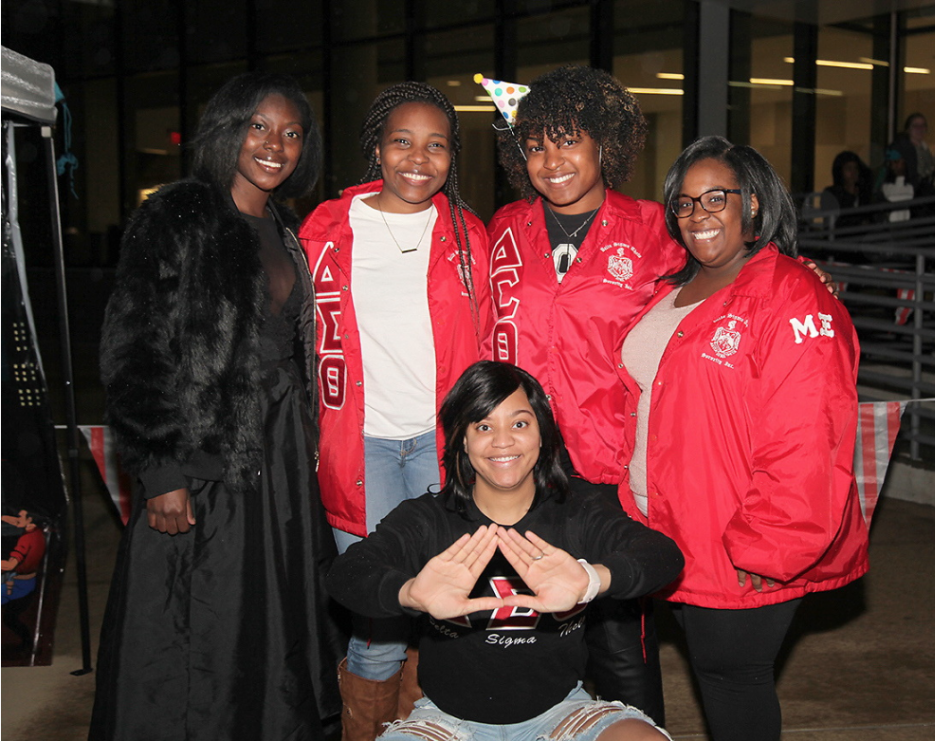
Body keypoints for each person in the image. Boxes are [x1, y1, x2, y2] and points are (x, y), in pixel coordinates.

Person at [91, 73, 343, 741]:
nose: (275, 145)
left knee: (268, 617)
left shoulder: (284, 225)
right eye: (259, 126)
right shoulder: (178, 214)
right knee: (195, 623)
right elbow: (133, 350)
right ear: (227, 127)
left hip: (280, 456)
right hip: (203, 459)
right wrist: (161, 472)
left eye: (292, 133)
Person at [615, 136, 868, 741]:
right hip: (666, 530)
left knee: (732, 682)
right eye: (684, 202)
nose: (699, 214)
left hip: (740, 541)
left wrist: (769, 542)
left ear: (752, 204)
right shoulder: (668, 292)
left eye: (716, 198)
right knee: (712, 676)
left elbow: (811, 432)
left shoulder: (792, 294)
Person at [327, 360, 684, 741]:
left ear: (542, 433)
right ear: (462, 439)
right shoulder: (427, 519)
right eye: (483, 426)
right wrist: (408, 592)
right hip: (447, 722)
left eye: (519, 423)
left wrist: (592, 579)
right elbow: (346, 573)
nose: (502, 441)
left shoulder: (578, 511)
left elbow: (663, 555)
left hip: (561, 713)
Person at [486, 64, 681, 722]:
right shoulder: (504, 228)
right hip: (516, 467)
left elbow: (726, 285)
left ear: (604, 143)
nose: (552, 159)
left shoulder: (657, 227)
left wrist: (798, 269)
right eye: (535, 144)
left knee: (617, 641)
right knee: (521, 634)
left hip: (608, 471)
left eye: (567, 139)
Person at [298, 82, 492, 739]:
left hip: (444, 447)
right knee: (380, 622)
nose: (418, 157)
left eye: (436, 144)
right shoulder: (325, 228)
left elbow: (489, 342)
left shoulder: (469, 234)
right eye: (402, 141)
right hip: (365, 449)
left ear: (452, 156)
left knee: (451, 616)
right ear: (376, 148)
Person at [820, 150, 873, 227]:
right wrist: (850, 194)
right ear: (840, 171)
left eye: (856, 168)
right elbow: (838, 220)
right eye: (848, 168)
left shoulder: (863, 193)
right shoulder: (831, 193)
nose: (853, 172)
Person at [888, 113, 934, 188]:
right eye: (915, 126)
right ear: (908, 129)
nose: (920, 129)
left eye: (923, 125)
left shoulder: (924, 149)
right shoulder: (901, 148)